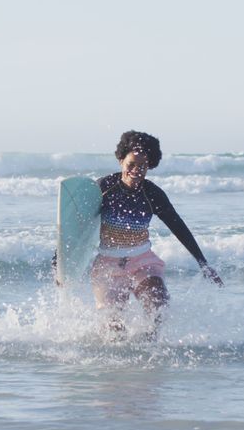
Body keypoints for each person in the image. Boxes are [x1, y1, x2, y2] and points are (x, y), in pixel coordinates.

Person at [92, 130, 222, 337]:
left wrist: (202, 262)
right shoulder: (103, 188)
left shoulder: (152, 193)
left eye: (142, 166)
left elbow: (178, 226)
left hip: (142, 260)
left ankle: (148, 352)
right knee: (114, 329)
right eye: (131, 164)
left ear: (150, 165)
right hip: (108, 265)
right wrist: (60, 258)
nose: (136, 170)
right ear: (120, 160)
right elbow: (77, 225)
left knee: (158, 307)